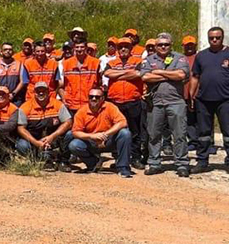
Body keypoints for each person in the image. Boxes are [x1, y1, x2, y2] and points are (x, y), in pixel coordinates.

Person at [140, 33, 191, 177]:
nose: (163, 47)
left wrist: (158, 72)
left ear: (171, 45)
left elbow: (181, 75)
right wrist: (170, 74)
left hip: (176, 101)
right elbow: (145, 77)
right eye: (160, 44)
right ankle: (154, 163)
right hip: (155, 103)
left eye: (166, 44)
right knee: (154, 134)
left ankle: (182, 164)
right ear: (155, 46)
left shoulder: (179, 58)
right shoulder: (148, 59)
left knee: (179, 134)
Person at [189, 27, 229, 173]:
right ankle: (202, 161)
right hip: (203, 100)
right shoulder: (201, 55)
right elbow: (195, 76)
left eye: (217, 37)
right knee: (204, 134)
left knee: (228, 133)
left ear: (222, 38)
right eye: (211, 37)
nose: (214, 40)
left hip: (225, 100)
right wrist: (191, 95)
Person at [67, 88, 132, 178]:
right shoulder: (82, 111)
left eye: (97, 97)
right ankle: (93, 163)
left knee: (125, 133)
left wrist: (105, 134)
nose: (93, 99)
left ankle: (123, 167)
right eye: (91, 97)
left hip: (108, 140)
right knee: (74, 145)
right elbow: (75, 132)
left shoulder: (110, 107)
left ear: (102, 98)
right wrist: (92, 136)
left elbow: (123, 122)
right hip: (91, 141)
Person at [104, 38, 146, 169]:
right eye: (120, 47)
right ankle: (118, 158)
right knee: (116, 131)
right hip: (115, 102)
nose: (123, 49)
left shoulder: (137, 61)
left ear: (130, 49)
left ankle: (136, 158)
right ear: (117, 49)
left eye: (126, 47)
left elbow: (138, 74)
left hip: (133, 101)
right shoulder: (111, 62)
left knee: (135, 132)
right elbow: (107, 73)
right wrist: (127, 73)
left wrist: (118, 75)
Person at [16, 82, 72, 169]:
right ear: (34, 93)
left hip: (54, 138)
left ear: (48, 92)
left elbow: (68, 122)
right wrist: (36, 143)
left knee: (70, 134)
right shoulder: (25, 107)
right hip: (34, 140)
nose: (41, 93)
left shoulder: (58, 104)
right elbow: (21, 129)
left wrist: (52, 136)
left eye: (44, 91)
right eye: (38, 91)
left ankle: (63, 161)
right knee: (22, 144)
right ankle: (36, 159)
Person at [60, 41, 102, 116]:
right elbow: (60, 86)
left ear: (86, 48)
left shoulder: (95, 63)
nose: (79, 49)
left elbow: (99, 84)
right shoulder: (66, 64)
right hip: (71, 105)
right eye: (77, 47)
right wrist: (64, 99)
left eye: (82, 47)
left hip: (89, 104)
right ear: (73, 49)